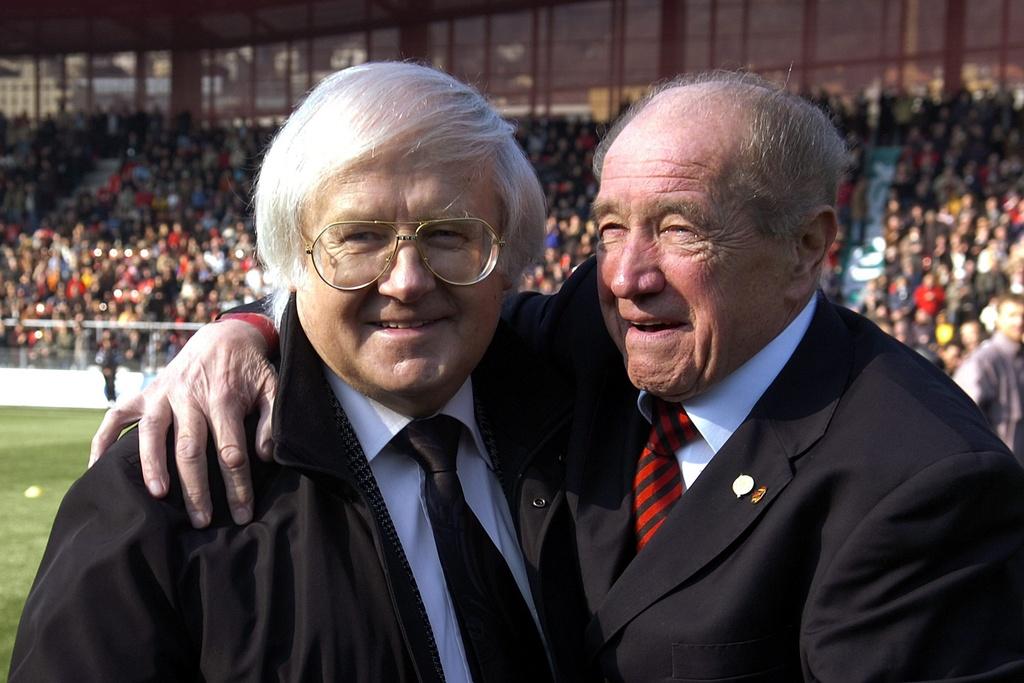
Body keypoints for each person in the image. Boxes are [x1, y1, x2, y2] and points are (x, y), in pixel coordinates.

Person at [90, 71, 1024, 681]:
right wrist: (253, 328)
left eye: (681, 227)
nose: (626, 274)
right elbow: (419, 309)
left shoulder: (921, 479)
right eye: (611, 226)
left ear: (810, 247)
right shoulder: (601, 337)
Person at [11, 63, 586, 682]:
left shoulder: (586, 416)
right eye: (359, 237)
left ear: (507, 255)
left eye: (450, 234)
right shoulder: (156, 502)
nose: (408, 280)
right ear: (292, 259)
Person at [954, 293, 1024, 465]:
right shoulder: (984, 360)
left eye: (1022, 315)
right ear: (998, 319)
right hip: (1001, 467)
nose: (1019, 322)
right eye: (1012, 315)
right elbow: (963, 414)